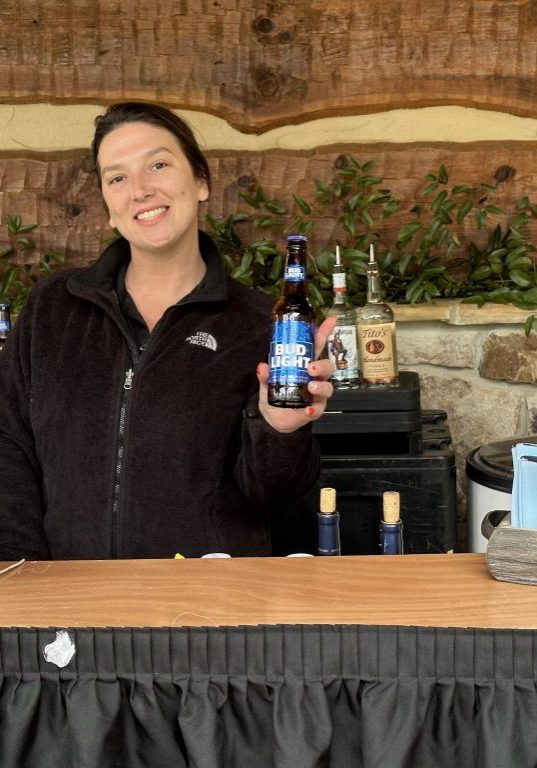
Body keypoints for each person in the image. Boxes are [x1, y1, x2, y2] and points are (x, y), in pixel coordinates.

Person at [0, 102, 335, 561]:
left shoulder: (260, 324)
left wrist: (280, 430)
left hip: (206, 610)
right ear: (109, 211)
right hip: (71, 604)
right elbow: (8, 445)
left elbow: (274, 495)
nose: (140, 190)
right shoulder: (53, 309)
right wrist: (19, 572)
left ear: (200, 182)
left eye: (158, 164)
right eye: (117, 177)